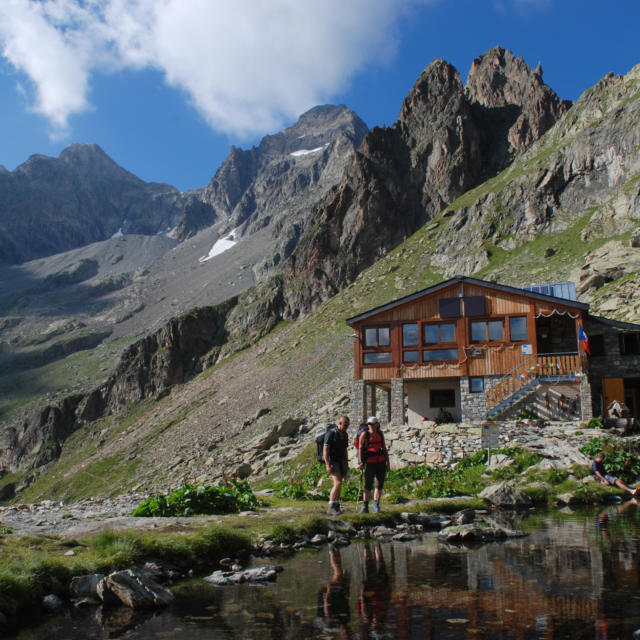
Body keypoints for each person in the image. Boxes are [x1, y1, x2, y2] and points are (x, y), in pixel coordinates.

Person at [358, 416, 390, 513]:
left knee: (379, 483)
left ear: (377, 424)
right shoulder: (364, 435)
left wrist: (388, 462)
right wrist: (360, 461)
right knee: (368, 484)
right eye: (368, 424)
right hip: (370, 463)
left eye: (372, 424)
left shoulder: (380, 434)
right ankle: (365, 505)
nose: (370, 426)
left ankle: (376, 504)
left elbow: (384, 448)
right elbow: (360, 449)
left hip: (381, 462)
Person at [324, 415, 350, 515]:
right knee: (338, 482)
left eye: (347, 425)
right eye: (345, 425)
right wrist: (327, 465)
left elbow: (345, 449)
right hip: (333, 461)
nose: (346, 427)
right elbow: (325, 450)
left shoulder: (345, 435)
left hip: (341, 461)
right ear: (340, 423)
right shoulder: (331, 433)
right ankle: (331, 505)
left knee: (339, 483)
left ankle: (336, 505)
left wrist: (347, 463)